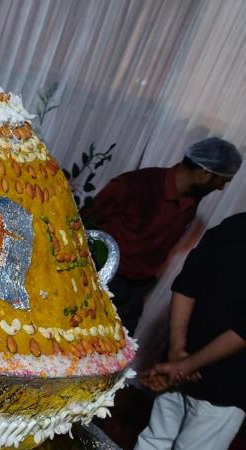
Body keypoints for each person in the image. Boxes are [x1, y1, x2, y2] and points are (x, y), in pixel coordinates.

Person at [82, 137, 241, 334]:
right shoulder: (134, 185)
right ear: (203, 174)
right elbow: (84, 223)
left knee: (121, 345)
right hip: (102, 279)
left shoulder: (191, 202)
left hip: (135, 291)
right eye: (221, 181)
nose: (220, 188)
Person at [135, 212, 246, 450]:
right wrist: (183, 363)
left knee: (153, 441)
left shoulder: (234, 225)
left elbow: (186, 285)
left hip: (180, 362)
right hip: (223, 382)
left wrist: (177, 352)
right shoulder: (234, 226)